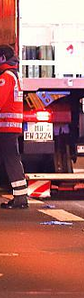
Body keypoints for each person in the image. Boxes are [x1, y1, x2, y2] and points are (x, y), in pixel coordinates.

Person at [0, 45, 28, 209]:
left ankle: (20, 198)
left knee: (11, 160)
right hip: (10, 126)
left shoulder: (6, 77)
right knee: (12, 159)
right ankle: (20, 196)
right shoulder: (14, 75)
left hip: (6, 127)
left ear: (2, 58)